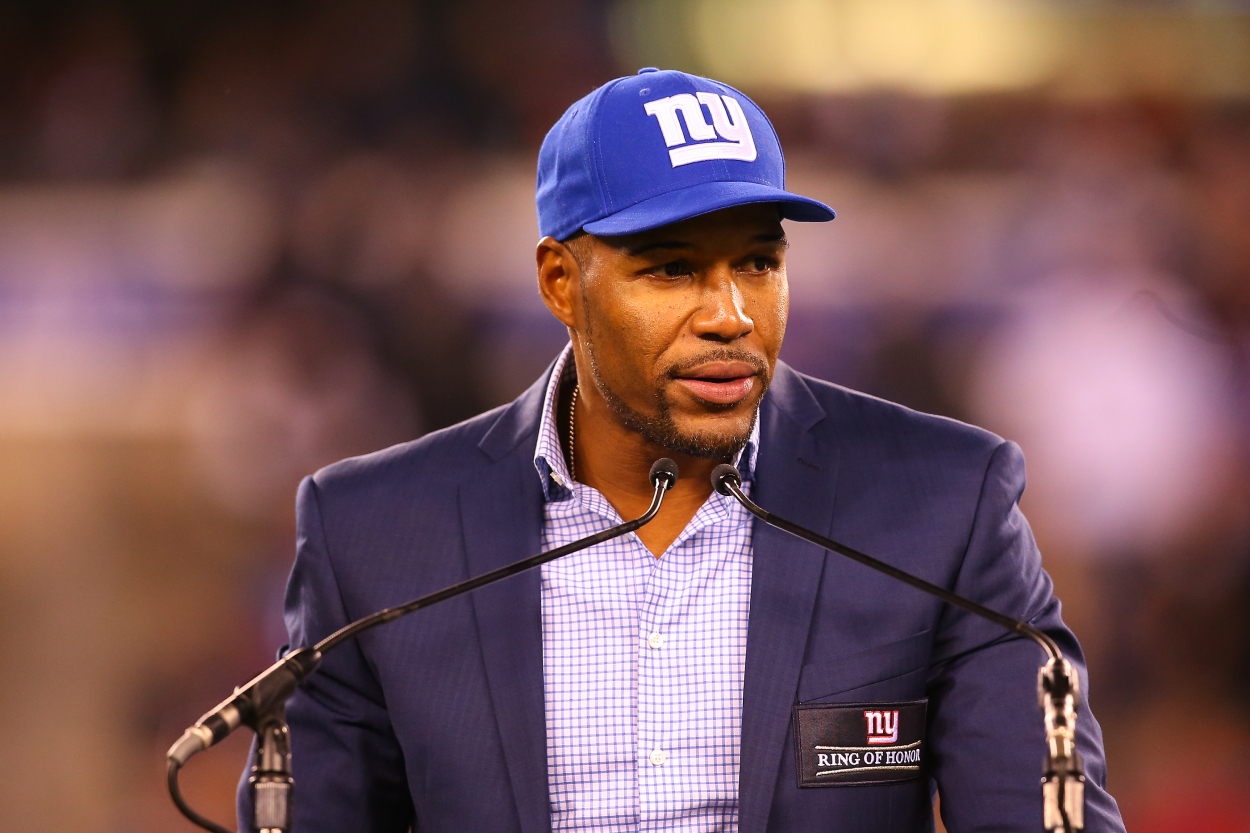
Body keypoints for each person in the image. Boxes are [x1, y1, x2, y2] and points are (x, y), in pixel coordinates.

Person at [238, 69, 1125, 832]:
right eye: (671, 270)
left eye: (757, 263)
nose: (730, 314)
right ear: (560, 282)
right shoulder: (377, 535)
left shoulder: (941, 506)